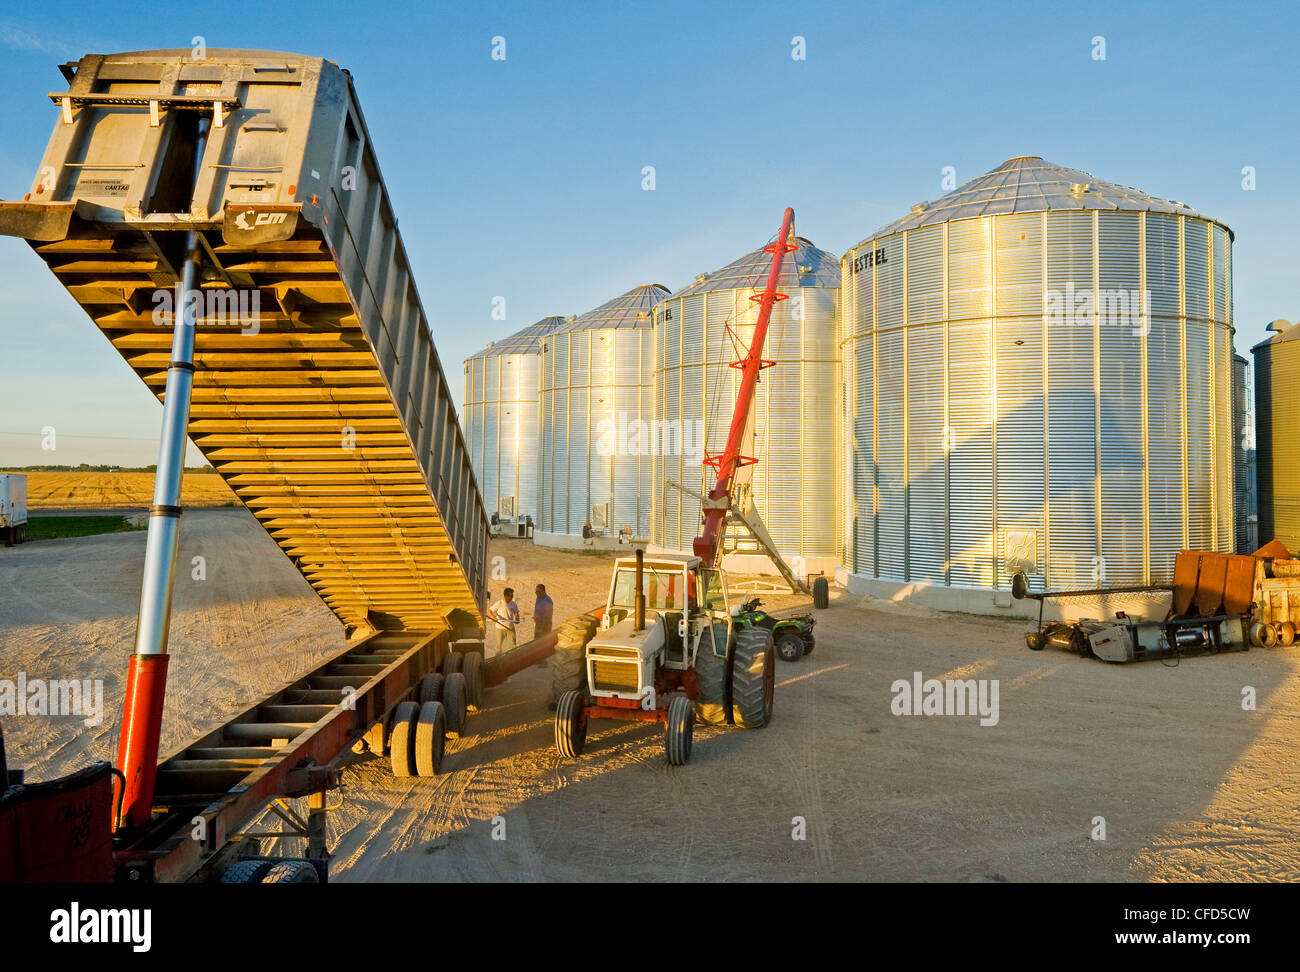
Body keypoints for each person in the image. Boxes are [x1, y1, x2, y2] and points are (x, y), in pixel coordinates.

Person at [488, 587, 521, 655]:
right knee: (499, 646)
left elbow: (516, 613)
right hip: (500, 628)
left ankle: (513, 661)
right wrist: (494, 618)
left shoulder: (513, 604)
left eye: (512, 596)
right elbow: (489, 611)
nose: (512, 597)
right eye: (510, 596)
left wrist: (517, 619)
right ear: (505, 595)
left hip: (510, 628)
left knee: (513, 646)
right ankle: (497, 660)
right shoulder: (499, 603)